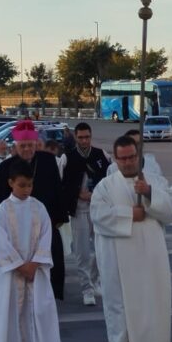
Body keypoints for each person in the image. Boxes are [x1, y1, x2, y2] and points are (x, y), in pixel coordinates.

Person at [91, 135, 172, 342]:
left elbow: (169, 213)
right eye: (123, 158)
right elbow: (98, 217)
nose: (128, 162)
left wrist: (149, 193)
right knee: (122, 314)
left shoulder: (155, 182)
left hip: (151, 262)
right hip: (119, 264)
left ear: (138, 156)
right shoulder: (105, 187)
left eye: (132, 157)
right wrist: (130, 215)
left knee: (153, 309)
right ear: (115, 160)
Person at [0, 159, 63, 342]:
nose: (26, 190)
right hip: (13, 273)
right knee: (14, 312)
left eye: (29, 185)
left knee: (39, 311)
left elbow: (46, 235)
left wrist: (34, 263)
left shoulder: (39, 208)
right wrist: (20, 266)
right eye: (21, 185)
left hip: (36, 270)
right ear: (10, 183)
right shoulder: (2, 211)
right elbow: (1, 242)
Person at [0, 120, 67, 301]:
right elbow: (1, 198)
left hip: (46, 221)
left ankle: (52, 295)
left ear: (36, 144)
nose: (27, 149)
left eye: (30, 145)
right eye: (23, 145)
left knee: (53, 258)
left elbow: (57, 189)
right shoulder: (6, 167)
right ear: (16, 146)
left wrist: (59, 217)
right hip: (17, 226)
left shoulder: (48, 160)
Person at [60, 122, 110, 306]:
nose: (84, 140)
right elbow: (62, 186)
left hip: (99, 210)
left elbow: (109, 180)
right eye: (80, 137)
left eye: (87, 137)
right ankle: (86, 289)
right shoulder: (67, 158)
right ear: (75, 137)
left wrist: (96, 195)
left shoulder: (101, 155)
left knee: (101, 249)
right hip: (79, 210)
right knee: (82, 253)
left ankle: (95, 280)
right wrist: (78, 194)